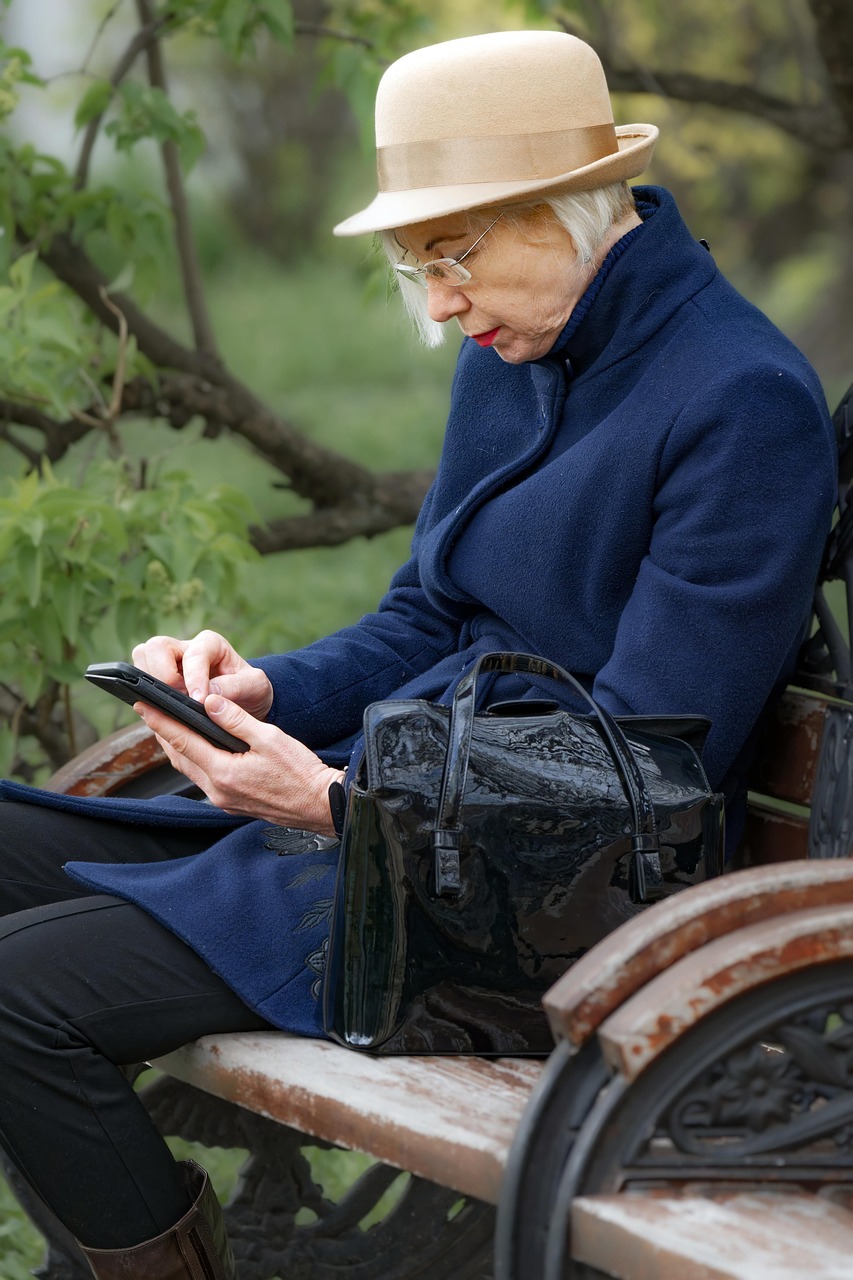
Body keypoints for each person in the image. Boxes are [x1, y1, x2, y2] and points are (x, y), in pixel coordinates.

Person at [0, 28, 837, 1280]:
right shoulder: (516, 343)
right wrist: (263, 687)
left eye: (454, 256)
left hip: (540, 903)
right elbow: (430, 615)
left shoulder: (741, 400)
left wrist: (342, 805)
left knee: (20, 998)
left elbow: (644, 769)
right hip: (381, 808)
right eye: (417, 263)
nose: (440, 301)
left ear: (568, 210)